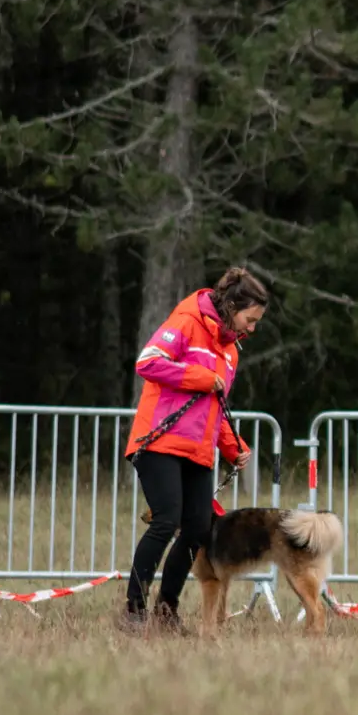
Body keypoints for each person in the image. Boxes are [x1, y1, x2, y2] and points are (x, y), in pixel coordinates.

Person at [121, 266, 267, 634]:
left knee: (199, 528)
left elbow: (214, 408)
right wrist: (200, 377)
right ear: (233, 306)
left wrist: (234, 448)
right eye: (250, 319)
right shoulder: (186, 319)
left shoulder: (232, 351)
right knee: (166, 520)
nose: (252, 329)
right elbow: (147, 363)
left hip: (198, 450)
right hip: (158, 440)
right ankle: (133, 611)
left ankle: (166, 613)